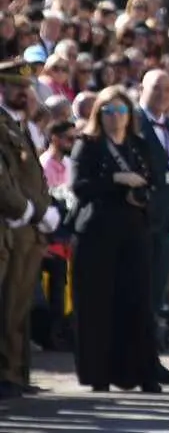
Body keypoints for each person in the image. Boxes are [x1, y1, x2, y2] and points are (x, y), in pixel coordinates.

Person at [68, 85, 162, 393]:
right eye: (108, 111)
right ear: (99, 114)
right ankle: (99, 375)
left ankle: (141, 373)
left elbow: (155, 182)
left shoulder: (138, 145)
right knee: (98, 305)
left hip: (134, 231)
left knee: (137, 302)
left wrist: (142, 194)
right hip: (96, 232)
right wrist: (115, 180)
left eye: (121, 111)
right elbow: (79, 186)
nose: (115, 117)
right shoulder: (88, 144)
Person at [0, 59, 60, 399]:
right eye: (17, 87)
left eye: (27, 88)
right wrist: (28, 210)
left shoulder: (17, 124)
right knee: (8, 306)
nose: (25, 93)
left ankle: (17, 373)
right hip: (15, 223)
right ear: (2, 89)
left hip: (28, 227)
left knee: (19, 305)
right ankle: (7, 374)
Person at [137, 69, 169, 384]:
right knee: (139, 294)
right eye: (156, 88)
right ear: (142, 89)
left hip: (166, 223)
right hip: (141, 223)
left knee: (156, 295)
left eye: (168, 88)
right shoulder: (133, 124)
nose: (162, 94)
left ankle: (150, 360)